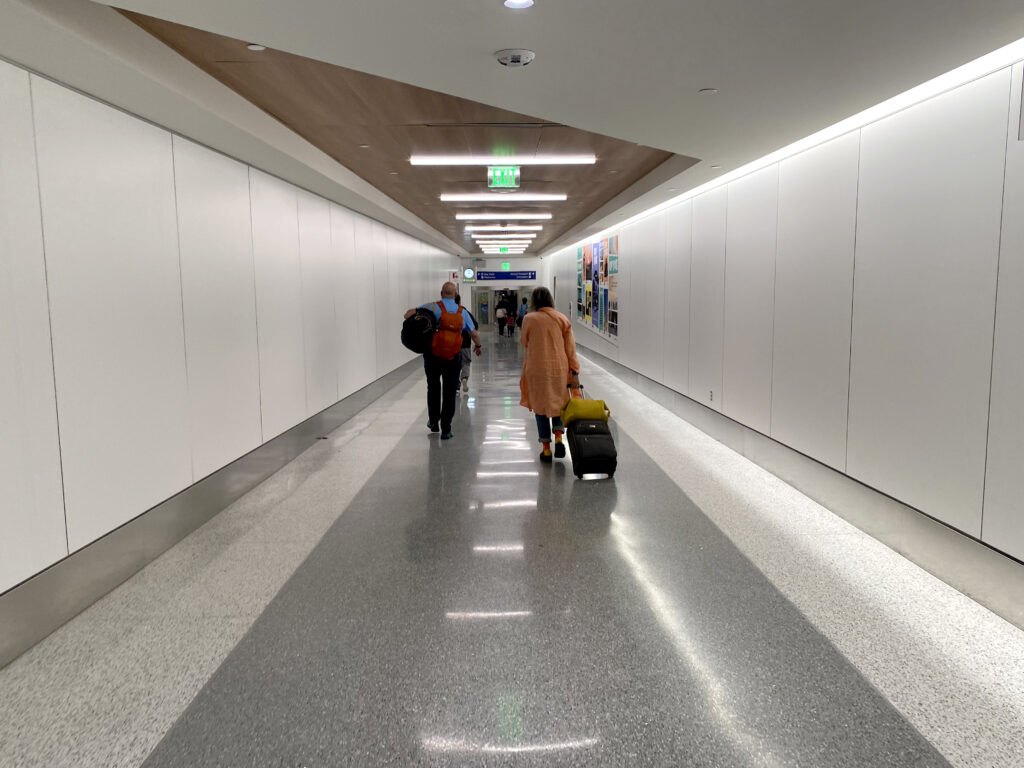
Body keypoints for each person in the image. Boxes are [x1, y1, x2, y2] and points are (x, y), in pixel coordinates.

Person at [404, 282, 481, 439]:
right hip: (453, 356)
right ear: (455, 295)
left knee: (433, 387)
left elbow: (407, 314)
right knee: (450, 391)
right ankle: (446, 428)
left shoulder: (431, 307)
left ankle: (433, 422)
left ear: (441, 293)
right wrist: (478, 346)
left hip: (432, 355)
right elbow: (473, 333)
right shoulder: (462, 312)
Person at [519, 286, 580, 463]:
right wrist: (574, 371)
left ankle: (546, 450)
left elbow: (524, 342)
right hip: (558, 369)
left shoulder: (529, 319)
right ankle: (559, 438)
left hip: (536, 368)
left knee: (540, 407)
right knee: (558, 403)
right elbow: (570, 349)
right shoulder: (562, 319)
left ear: (534, 302)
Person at [455, 294, 478, 394]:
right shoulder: (464, 312)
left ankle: (456, 387)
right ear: (460, 302)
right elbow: (475, 326)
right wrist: (478, 345)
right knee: (466, 362)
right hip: (465, 342)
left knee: (454, 365)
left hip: (451, 344)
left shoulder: (445, 312)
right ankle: (464, 378)